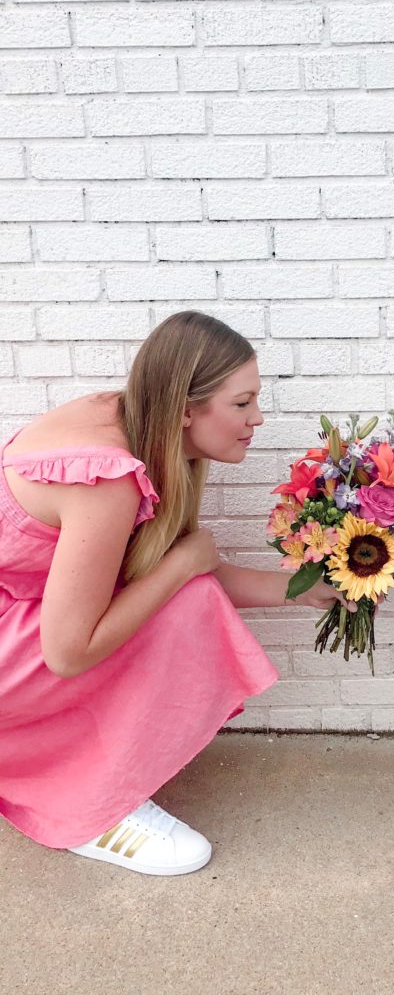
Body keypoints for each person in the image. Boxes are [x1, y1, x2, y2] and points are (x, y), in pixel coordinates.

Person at [0, 311, 350, 877]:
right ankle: (92, 806)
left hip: (21, 618)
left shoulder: (126, 415)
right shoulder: (107, 477)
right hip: (24, 641)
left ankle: (77, 768)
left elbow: (169, 572)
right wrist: (185, 562)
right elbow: (67, 652)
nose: (257, 419)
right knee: (187, 604)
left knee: (188, 595)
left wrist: (306, 590)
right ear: (185, 408)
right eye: (243, 403)